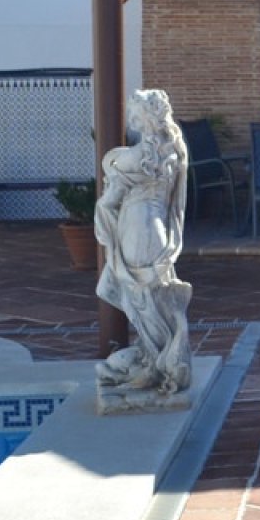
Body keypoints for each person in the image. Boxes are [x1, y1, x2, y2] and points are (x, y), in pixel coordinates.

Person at [95, 88, 193, 398]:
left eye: (132, 111)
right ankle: (161, 358)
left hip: (136, 232)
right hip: (160, 231)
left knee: (141, 300)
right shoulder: (173, 149)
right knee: (154, 299)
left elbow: (109, 182)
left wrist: (110, 162)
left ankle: (158, 362)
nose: (128, 115)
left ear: (142, 115)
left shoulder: (136, 157)